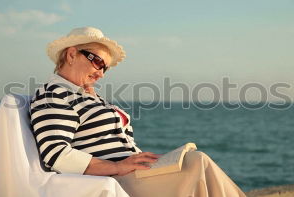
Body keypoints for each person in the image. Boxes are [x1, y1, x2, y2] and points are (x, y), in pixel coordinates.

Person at [29, 26, 246, 197]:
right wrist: (117, 166)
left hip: (131, 175)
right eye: (97, 62)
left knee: (194, 162)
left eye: (105, 67)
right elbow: (56, 154)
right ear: (71, 54)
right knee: (196, 163)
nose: (101, 73)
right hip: (114, 182)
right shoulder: (54, 94)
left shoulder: (86, 95)